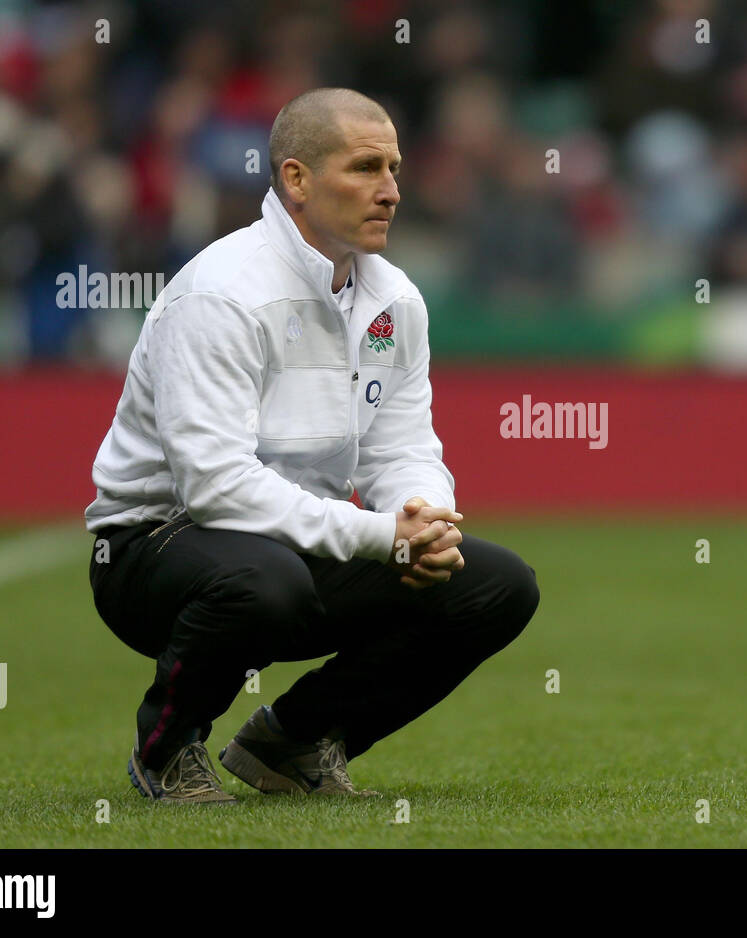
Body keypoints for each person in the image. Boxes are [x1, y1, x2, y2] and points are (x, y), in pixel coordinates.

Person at [85, 88, 539, 804]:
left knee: (494, 583)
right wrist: (379, 534)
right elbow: (216, 487)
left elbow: (401, 445)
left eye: (394, 168)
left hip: (298, 549)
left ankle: (292, 741)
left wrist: (426, 521)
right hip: (153, 548)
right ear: (295, 179)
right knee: (264, 581)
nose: (390, 191)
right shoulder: (223, 292)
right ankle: (166, 749)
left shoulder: (396, 301)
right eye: (364, 168)